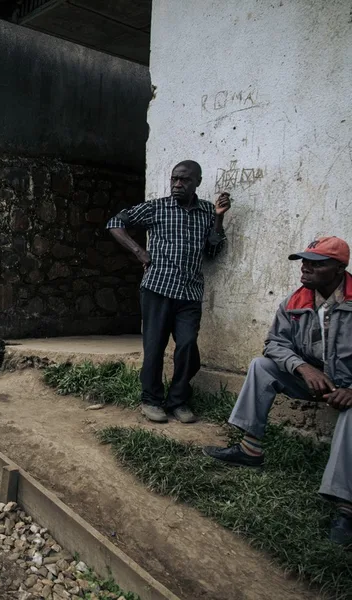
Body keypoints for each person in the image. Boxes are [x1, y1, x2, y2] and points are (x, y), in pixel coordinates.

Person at [204, 236, 352, 546]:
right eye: (304, 261)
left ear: (339, 268)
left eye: (316, 263)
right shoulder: (295, 301)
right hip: (313, 381)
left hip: (348, 386)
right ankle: (250, 449)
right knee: (262, 366)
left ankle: (345, 506)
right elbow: (275, 343)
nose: (305, 268)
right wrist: (302, 368)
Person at [107, 160, 231, 423]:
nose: (177, 184)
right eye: (174, 178)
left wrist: (219, 218)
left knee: (186, 346)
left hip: (190, 293)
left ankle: (178, 401)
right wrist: (139, 250)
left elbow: (212, 252)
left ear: (197, 181)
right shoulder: (157, 208)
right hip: (158, 289)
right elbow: (115, 223)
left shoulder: (208, 212)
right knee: (154, 347)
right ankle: (151, 400)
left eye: (184, 180)